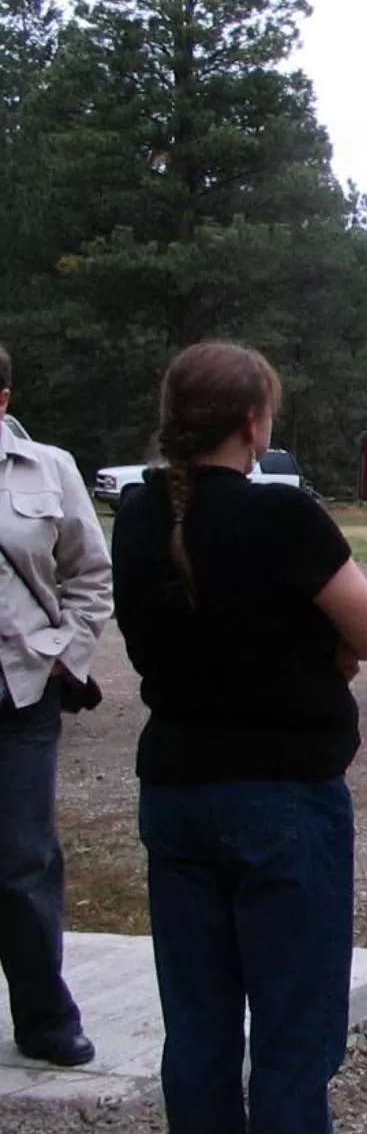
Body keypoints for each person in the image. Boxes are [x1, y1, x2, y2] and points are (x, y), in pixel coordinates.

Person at [112, 341, 367, 1134]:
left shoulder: (134, 514)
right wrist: (321, 654)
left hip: (177, 798)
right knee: (289, 1048)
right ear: (252, 422)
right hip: (282, 804)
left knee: (197, 1040)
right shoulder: (284, 519)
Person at [0, 342, 113, 1069]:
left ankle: (44, 1018)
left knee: (20, 859)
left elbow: (91, 575)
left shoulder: (50, 468)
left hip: (19, 692)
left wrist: (62, 658)